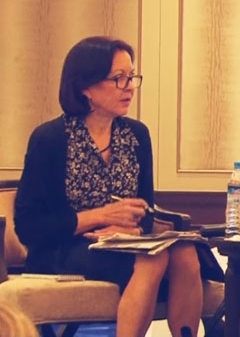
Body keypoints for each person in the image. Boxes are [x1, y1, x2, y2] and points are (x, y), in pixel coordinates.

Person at [14, 36, 223, 337]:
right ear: (85, 86)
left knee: (185, 252)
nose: (129, 87)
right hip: (63, 248)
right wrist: (100, 217)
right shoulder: (50, 139)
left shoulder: (136, 135)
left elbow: (146, 212)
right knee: (152, 258)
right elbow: (29, 227)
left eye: (132, 77)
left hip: (124, 244)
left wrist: (132, 232)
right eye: (118, 78)